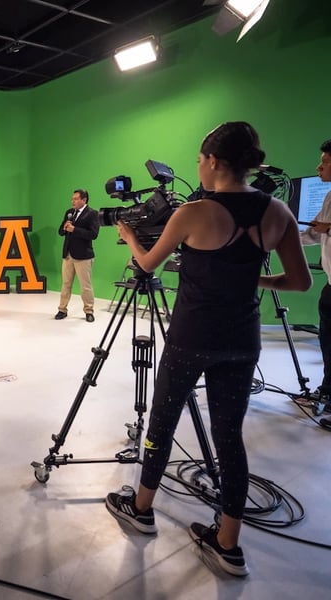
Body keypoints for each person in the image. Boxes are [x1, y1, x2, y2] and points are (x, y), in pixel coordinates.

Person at [103, 122, 311, 577]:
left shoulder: (194, 212)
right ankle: (227, 545)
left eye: (199, 159)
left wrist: (129, 236)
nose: (198, 166)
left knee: (163, 419)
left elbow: (147, 262)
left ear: (214, 161)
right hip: (243, 342)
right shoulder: (277, 212)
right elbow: (299, 281)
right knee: (230, 437)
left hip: (191, 337)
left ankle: (140, 510)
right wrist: (253, 278)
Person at [299, 139, 331, 431]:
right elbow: (313, 234)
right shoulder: (329, 196)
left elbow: (325, 230)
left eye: (325, 162)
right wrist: (280, 237)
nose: (318, 167)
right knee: (328, 342)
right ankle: (328, 391)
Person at [54, 189, 99, 322]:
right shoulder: (69, 213)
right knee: (66, 284)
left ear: (84, 200)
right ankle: (62, 309)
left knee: (86, 286)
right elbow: (60, 232)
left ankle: (89, 311)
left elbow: (93, 234)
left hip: (83, 256)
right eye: (72, 198)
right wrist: (64, 227)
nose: (72, 201)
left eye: (75, 199)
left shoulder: (92, 214)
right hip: (68, 254)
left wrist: (75, 230)